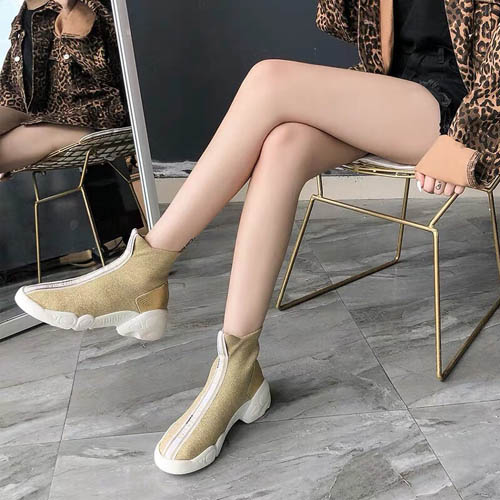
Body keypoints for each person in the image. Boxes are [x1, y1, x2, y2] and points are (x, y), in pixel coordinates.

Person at [14, 0, 500, 475]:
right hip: (397, 91)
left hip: (464, 109)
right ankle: (238, 369)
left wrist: (469, 140)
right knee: (283, 144)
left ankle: (145, 269)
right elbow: (345, 21)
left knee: (269, 79)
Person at [0, 0, 128, 180]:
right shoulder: (20, 25)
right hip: (44, 117)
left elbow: (115, 75)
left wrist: (75, 17)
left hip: (94, 117)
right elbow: (15, 97)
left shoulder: (87, 5)